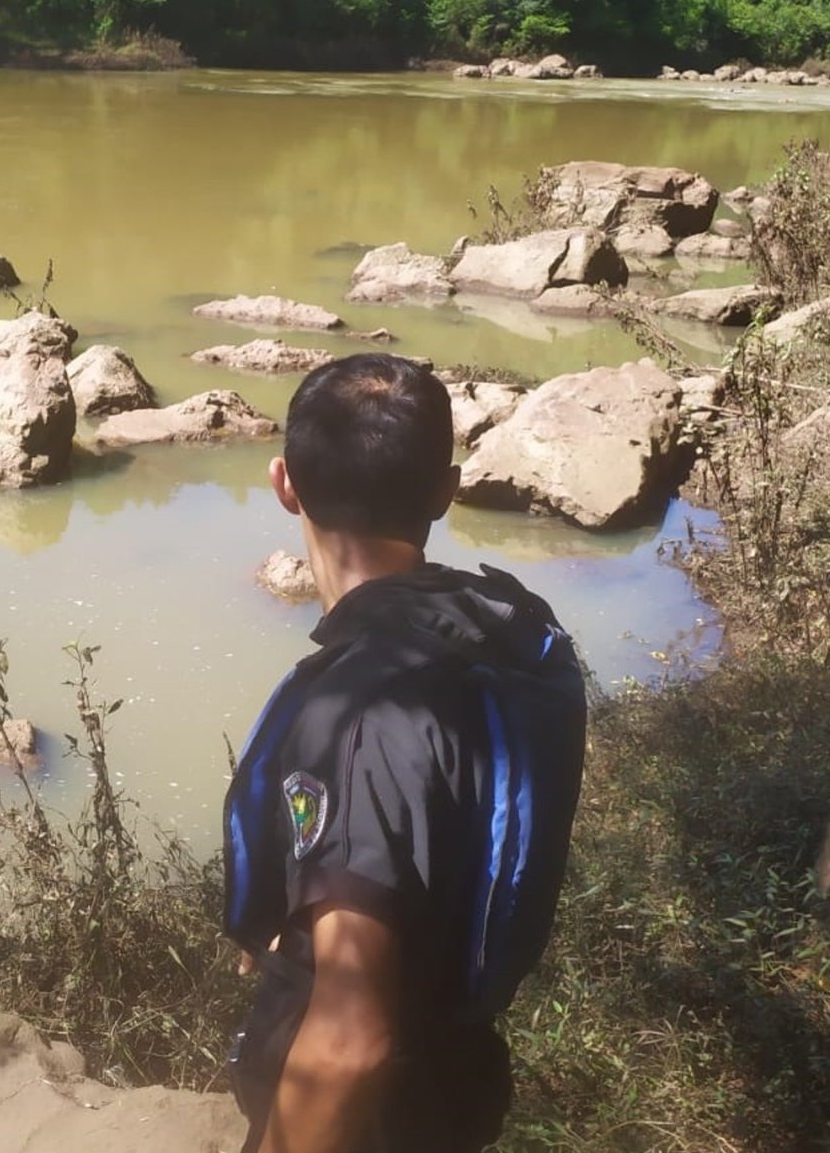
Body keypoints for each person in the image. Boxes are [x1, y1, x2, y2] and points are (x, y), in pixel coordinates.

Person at [223, 353, 587, 1153]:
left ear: (284, 484)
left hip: (370, 1124)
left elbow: (350, 1043)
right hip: (454, 1082)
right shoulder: (500, 628)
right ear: (445, 492)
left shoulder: (359, 715)